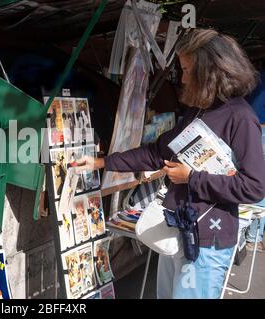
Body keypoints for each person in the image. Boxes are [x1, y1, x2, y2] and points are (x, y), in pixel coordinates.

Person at [77, 29, 265, 299]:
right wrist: (102, 162)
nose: (184, 79)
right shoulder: (199, 111)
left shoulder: (241, 118)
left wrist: (192, 178)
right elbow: (157, 153)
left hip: (206, 242)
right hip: (179, 232)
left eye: (188, 70)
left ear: (210, 71)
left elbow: (255, 187)